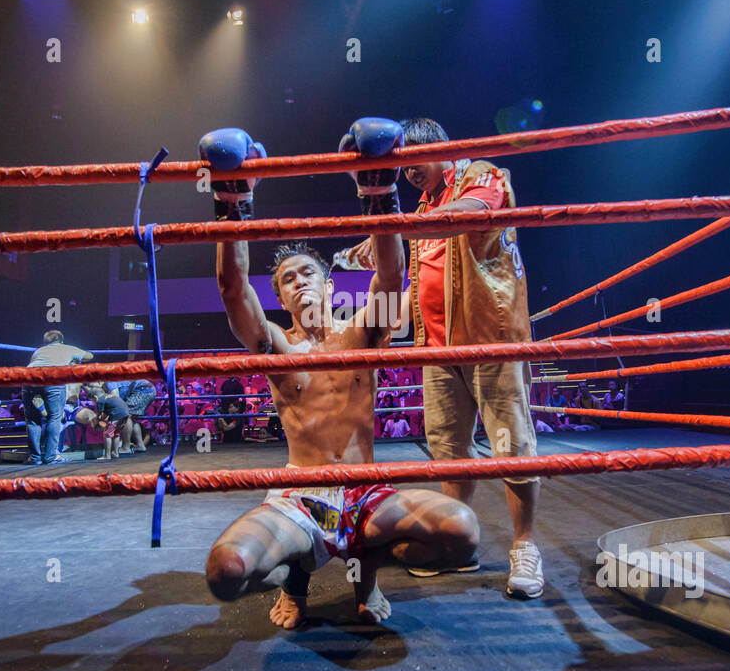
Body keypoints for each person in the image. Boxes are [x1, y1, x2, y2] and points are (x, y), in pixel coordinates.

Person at [200, 122, 480, 629]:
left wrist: (378, 189)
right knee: (227, 570)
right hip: (301, 497)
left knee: (462, 532)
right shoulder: (275, 344)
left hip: (368, 496)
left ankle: (364, 574)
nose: (299, 281)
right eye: (287, 279)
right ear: (280, 299)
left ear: (329, 286)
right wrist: (231, 199)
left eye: (308, 273)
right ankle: (297, 576)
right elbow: (231, 288)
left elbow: (393, 277)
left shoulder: (365, 333)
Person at [339, 117, 543, 597]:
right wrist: (372, 329)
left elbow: (472, 212)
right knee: (450, 453)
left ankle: (525, 547)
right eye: (401, 166)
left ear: (441, 148)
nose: (408, 173)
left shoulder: (479, 173)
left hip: (491, 339)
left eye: (413, 160)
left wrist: (393, 226)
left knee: (511, 446)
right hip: (436, 347)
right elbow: (406, 282)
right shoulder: (424, 207)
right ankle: (459, 546)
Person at [22, 330, 92, 465]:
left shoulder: (38, 351)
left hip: (28, 378)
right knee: (54, 417)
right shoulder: (67, 348)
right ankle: (51, 456)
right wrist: (73, 358)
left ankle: (35, 458)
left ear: (45, 342)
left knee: (32, 420)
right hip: (52, 379)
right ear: (61, 341)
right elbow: (89, 355)